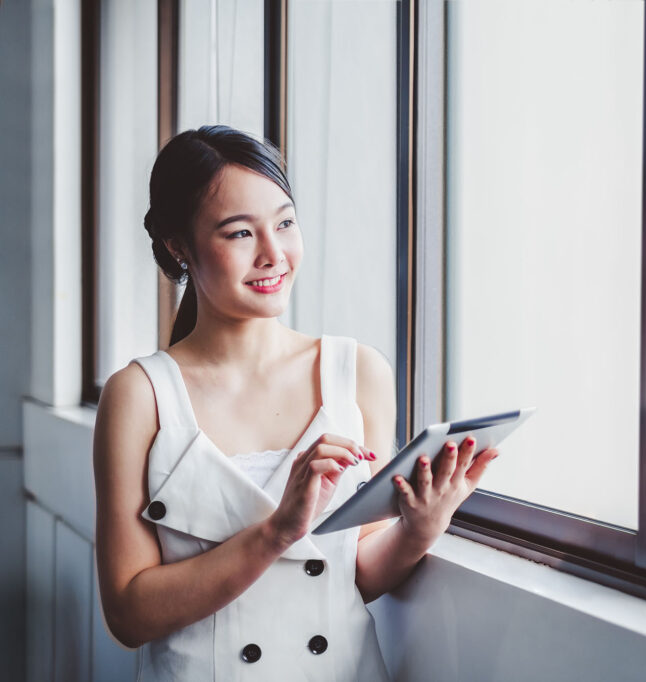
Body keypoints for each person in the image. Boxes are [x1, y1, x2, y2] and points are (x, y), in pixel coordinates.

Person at [92, 124, 498, 680]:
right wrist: (276, 530)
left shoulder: (357, 372)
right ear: (177, 245)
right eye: (239, 234)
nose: (273, 253)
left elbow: (357, 570)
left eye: (285, 222)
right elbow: (128, 614)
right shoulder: (140, 395)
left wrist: (423, 526)